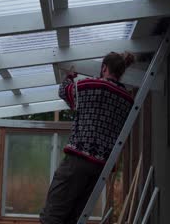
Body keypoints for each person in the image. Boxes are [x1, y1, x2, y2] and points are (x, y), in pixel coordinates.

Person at [40, 52, 136, 224]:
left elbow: (64, 91)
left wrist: (69, 76)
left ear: (104, 67)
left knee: (53, 214)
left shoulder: (90, 85)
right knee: (74, 216)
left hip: (78, 159)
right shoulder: (128, 99)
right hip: (102, 168)